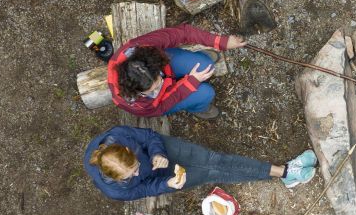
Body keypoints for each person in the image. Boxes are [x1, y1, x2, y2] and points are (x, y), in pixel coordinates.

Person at [83, 125, 316, 201]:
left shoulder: (119, 136)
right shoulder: (117, 190)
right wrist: (168, 185)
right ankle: (284, 173)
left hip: (159, 151)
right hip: (162, 178)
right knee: (213, 171)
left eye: (134, 168)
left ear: (126, 151)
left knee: (214, 159)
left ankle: (284, 172)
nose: (135, 174)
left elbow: (150, 136)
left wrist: (156, 153)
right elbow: (145, 187)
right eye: (129, 176)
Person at [106, 22, 248, 120]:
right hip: (166, 99)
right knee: (206, 93)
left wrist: (221, 42)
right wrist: (189, 83)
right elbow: (163, 105)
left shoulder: (139, 48)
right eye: (154, 88)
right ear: (137, 92)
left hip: (166, 67)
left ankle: (201, 57)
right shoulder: (136, 104)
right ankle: (198, 108)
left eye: (158, 78)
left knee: (206, 64)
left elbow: (182, 33)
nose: (161, 83)